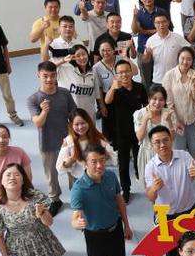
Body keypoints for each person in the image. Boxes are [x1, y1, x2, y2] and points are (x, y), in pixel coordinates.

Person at [70, 144, 138, 256]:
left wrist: (127, 225)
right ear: (85, 163)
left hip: (115, 228)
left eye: (102, 160)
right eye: (94, 162)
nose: (99, 165)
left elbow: (119, 200)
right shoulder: (79, 188)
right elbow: (75, 217)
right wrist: (76, 223)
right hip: (95, 235)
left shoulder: (110, 176)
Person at [145, 126, 195, 256]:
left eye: (165, 140)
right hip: (166, 217)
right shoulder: (150, 167)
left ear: (171, 140)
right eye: (157, 142)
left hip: (189, 212)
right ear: (152, 145)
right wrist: (154, 188)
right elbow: (150, 197)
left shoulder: (184, 156)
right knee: (172, 254)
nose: (162, 145)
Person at [26, 61, 77, 215]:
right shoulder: (33, 99)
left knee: (74, 170)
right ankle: (55, 199)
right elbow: (38, 123)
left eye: (53, 75)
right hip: (47, 142)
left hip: (67, 141)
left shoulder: (64, 93)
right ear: (38, 76)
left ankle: (77, 196)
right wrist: (44, 111)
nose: (49, 79)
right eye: (45, 76)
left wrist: (72, 138)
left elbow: (74, 116)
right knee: (51, 175)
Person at [104, 60, 148, 203]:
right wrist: (113, 87)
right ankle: (126, 189)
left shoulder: (139, 87)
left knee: (139, 159)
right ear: (116, 75)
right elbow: (107, 101)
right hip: (120, 131)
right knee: (123, 163)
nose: (124, 74)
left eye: (126, 71)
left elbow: (146, 105)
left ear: (131, 72)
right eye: (120, 72)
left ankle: (144, 182)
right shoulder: (115, 89)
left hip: (137, 130)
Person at [162, 47, 195, 162]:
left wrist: (194, 87)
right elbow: (168, 103)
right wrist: (176, 120)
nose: (185, 62)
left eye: (189, 59)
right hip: (176, 120)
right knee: (179, 151)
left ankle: (194, 169)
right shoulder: (169, 76)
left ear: (192, 61)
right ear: (178, 58)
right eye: (182, 58)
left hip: (193, 118)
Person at [57, 108, 116, 188]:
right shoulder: (69, 141)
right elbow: (60, 166)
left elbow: (112, 158)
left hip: (97, 178)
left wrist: (105, 155)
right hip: (78, 179)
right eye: (76, 124)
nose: (80, 127)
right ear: (71, 125)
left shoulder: (97, 139)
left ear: (88, 122)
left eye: (83, 123)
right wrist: (70, 161)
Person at [93, 37, 139, 141]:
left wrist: (125, 57)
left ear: (114, 49)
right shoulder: (96, 68)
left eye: (108, 50)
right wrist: (102, 106)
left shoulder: (121, 59)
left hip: (125, 96)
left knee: (128, 124)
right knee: (111, 129)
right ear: (99, 51)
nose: (105, 53)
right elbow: (98, 88)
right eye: (102, 50)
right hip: (108, 99)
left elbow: (135, 72)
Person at [134, 84, 178, 189]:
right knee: (151, 188)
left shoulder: (169, 113)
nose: (157, 103)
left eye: (161, 100)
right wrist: (145, 119)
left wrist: (169, 121)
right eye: (154, 99)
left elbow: (172, 138)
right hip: (147, 154)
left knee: (167, 186)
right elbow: (139, 138)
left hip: (165, 153)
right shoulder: (139, 114)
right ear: (149, 99)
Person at [0, 124, 32, 202]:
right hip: (1, 198)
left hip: (23, 193)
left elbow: (28, 178)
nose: (1, 140)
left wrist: (19, 195)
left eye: (5, 137)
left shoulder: (20, 152)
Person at [132, 0, 167, 87]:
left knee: (161, 79)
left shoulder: (161, 11)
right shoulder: (138, 13)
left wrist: (144, 31)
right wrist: (134, 16)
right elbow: (135, 30)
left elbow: (164, 29)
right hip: (143, 50)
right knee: (146, 80)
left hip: (160, 50)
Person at [51, 44, 99, 118]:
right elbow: (47, 68)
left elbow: (97, 92)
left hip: (89, 111)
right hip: (71, 113)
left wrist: (101, 106)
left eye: (84, 54)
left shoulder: (93, 71)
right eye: (78, 56)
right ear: (73, 58)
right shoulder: (65, 70)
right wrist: (63, 60)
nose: (82, 57)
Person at [143, 13, 190, 85]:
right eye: (158, 23)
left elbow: (190, 50)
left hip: (176, 78)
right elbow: (145, 61)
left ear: (168, 22)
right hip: (158, 79)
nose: (161, 25)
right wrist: (148, 54)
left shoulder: (177, 37)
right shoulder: (151, 40)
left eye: (164, 22)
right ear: (154, 24)